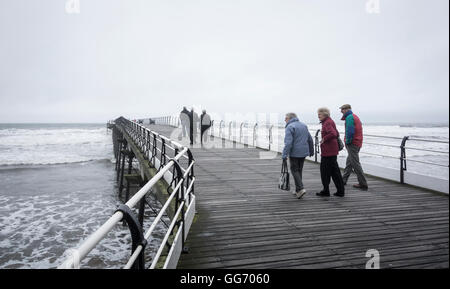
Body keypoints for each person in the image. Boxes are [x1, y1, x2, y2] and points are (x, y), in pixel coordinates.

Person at [282, 113, 314, 199]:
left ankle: (301, 188)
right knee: (299, 170)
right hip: (303, 152)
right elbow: (310, 139)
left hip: (294, 153)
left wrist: (284, 154)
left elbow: (288, 143)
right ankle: (297, 190)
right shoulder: (303, 125)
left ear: (290, 118)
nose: (285, 120)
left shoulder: (290, 127)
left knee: (294, 169)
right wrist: (311, 150)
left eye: (286, 118)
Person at [316, 107, 345, 197]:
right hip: (331, 151)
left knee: (325, 172)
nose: (318, 116)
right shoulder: (328, 121)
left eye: (319, 114)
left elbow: (333, 133)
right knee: (334, 172)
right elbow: (336, 133)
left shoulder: (327, 122)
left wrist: (324, 139)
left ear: (325, 114)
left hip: (328, 152)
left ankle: (326, 191)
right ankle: (340, 191)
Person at [339, 104, 368, 190]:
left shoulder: (349, 118)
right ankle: (343, 180)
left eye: (343, 109)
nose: (341, 111)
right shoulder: (354, 116)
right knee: (349, 162)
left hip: (353, 143)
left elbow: (350, 131)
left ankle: (363, 183)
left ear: (347, 109)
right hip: (357, 142)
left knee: (355, 164)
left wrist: (347, 141)